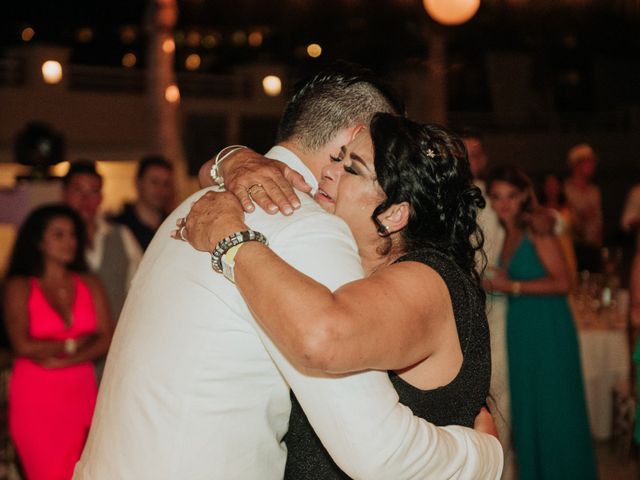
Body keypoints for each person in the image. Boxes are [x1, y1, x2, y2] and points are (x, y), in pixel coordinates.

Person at [75, 64, 503, 479]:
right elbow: (375, 448)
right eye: (346, 157)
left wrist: (229, 166)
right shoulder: (305, 226)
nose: (335, 174)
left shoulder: (199, 203)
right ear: (352, 132)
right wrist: (482, 456)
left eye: (354, 167)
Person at [180, 112, 491, 479]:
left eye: (353, 169)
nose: (328, 172)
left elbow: (321, 338)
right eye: (338, 158)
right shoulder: (359, 270)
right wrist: (234, 160)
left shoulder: (427, 279)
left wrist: (229, 240)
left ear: (394, 215)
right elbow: (210, 174)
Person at [486, 165, 597, 480]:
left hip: (548, 327)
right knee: (529, 409)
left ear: (523, 196)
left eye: (510, 196)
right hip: (521, 327)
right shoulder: (508, 232)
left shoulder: (536, 227)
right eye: (496, 197)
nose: (503, 203)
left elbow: (563, 282)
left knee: (555, 409)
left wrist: (512, 287)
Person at [3, 204, 113, 480]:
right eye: (59, 234)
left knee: (86, 471)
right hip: (36, 396)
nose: (70, 242)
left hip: (83, 392)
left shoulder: (90, 283)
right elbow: (23, 345)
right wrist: (77, 344)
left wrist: (66, 353)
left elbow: (107, 338)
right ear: (39, 241)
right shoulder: (19, 286)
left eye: (73, 235)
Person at [459, 129, 513, 480]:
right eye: (463, 153)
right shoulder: (446, 200)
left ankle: (500, 468)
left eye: (475, 154)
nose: (469, 160)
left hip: (494, 307)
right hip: (462, 309)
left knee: (498, 389)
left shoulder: (493, 204)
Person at [62, 160, 142, 321]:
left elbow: (140, 287)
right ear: (64, 193)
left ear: (101, 197)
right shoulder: (51, 241)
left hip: (117, 337)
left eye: (93, 191)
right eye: (78, 190)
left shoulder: (121, 235)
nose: (85, 199)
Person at [111, 155, 174, 251]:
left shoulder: (173, 225)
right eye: (154, 182)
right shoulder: (117, 227)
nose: (160, 190)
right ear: (138, 183)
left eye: (166, 183)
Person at [563, 143, 603, 272]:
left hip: (593, 248)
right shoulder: (565, 190)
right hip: (573, 248)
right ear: (576, 164)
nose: (592, 165)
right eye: (588, 161)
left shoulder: (594, 191)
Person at [538, 173, 578, 286]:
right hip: (548, 252)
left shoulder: (568, 207)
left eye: (554, 185)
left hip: (566, 250)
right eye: (548, 185)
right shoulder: (539, 209)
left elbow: (579, 229)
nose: (552, 189)